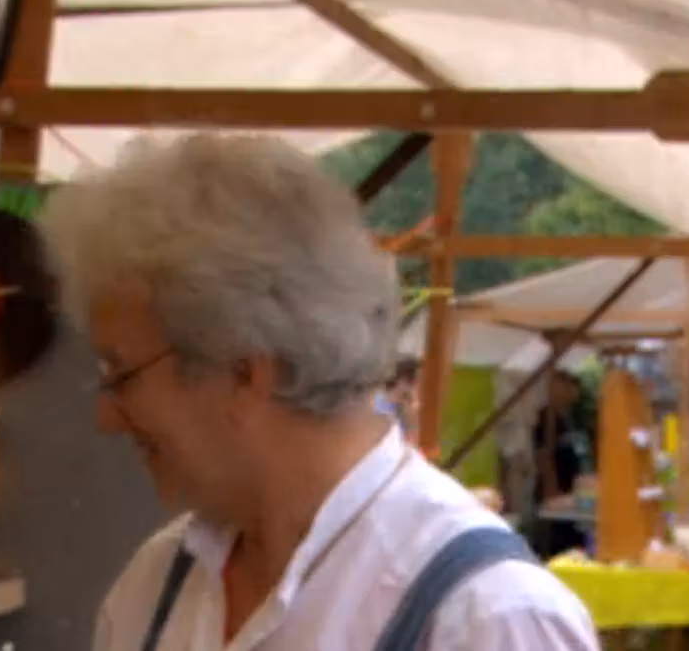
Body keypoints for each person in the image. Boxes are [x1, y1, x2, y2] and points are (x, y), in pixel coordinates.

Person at [38, 135, 598, 651]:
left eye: (122, 374)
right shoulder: (155, 583)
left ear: (244, 372)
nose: (107, 415)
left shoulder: (487, 618)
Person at [530, 370, 591, 558]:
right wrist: (551, 493)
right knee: (559, 547)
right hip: (557, 497)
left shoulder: (573, 418)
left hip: (576, 496)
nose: (572, 391)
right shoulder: (546, 418)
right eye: (565, 384)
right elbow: (543, 457)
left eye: (574, 385)